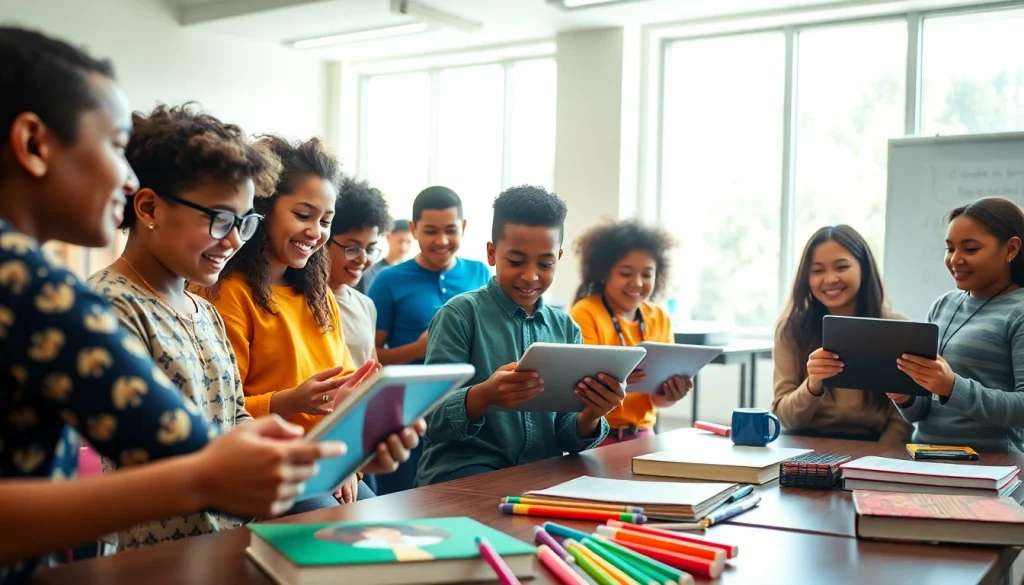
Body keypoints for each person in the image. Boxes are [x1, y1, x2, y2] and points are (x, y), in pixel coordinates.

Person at [0, 27, 345, 582]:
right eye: (115, 147)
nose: (126, 176)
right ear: (34, 144)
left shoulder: (200, 307)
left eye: (244, 223)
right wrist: (218, 472)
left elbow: (215, 435)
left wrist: (344, 444)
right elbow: (184, 449)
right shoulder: (32, 283)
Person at [197, 136, 404, 507]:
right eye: (303, 215)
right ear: (264, 209)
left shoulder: (318, 296)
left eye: (326, 221)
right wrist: (289, 401)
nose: (316, 232)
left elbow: (347, 391)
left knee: (383, 524)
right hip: (272, 465)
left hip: (330, 460)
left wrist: (345, 462)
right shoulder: (228, 294)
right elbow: (221, 410)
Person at [416, 185, 624, 487]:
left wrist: (593, 413)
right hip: (464, 473)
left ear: (559, 257)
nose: (530, 276)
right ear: (492, 253)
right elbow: (429, 417)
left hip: (540, 473)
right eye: (515, 261)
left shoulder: (566, 329)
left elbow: (568, 433)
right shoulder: (460, 315)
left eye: (545, 264)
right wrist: (484, 396)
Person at [367, 186, 490, 494]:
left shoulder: (480, 273)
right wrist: (417, 349)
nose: (442, 241)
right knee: (401, 498)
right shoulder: (388, 280)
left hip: (468, 410)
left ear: (463, 227)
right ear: (413, 229)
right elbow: (370, 358)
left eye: (450, 230)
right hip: (407, 413)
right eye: (431, 231)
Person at [890, 198, 1024, 451]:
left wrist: (953, 387)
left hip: (993, 463)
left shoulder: (1019, 311)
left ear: (1011, 249)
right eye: (950, 249)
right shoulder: (943, 305)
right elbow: (922, 412)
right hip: (926, 456)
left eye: (970, 249)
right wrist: (906, 398)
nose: (955, 260)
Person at [772, 225, 912, 443]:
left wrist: (880, 455)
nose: (830, 279)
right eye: (818, 270)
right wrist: (812, 384)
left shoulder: (896, 327)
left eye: (841, 267)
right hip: (804, 446)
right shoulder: (791, 329)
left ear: (864, 269)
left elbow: (903, 419)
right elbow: (785, 418)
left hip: (874, 448)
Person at [569, 220, 690, 445]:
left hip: (644, 434)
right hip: (599, 435)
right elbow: (580, 390)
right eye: (626, 273)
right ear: (603, 274)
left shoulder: (659, 317)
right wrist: (620, 380)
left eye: (647, 274)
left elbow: (657, 402)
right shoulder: (585, 312)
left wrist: (670, 394)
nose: (637, 283)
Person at [327, 176, 391, 365]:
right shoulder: (298, 300)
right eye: (352, 248)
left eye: (370, 249)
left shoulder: (365, 305)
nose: (363, 260)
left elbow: (373, 370)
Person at [354, 219, 412, 295]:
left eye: (409, 242)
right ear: (388, 237)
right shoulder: (370, 272)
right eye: (400, 241)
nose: (403, 248)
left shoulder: (411, 274)